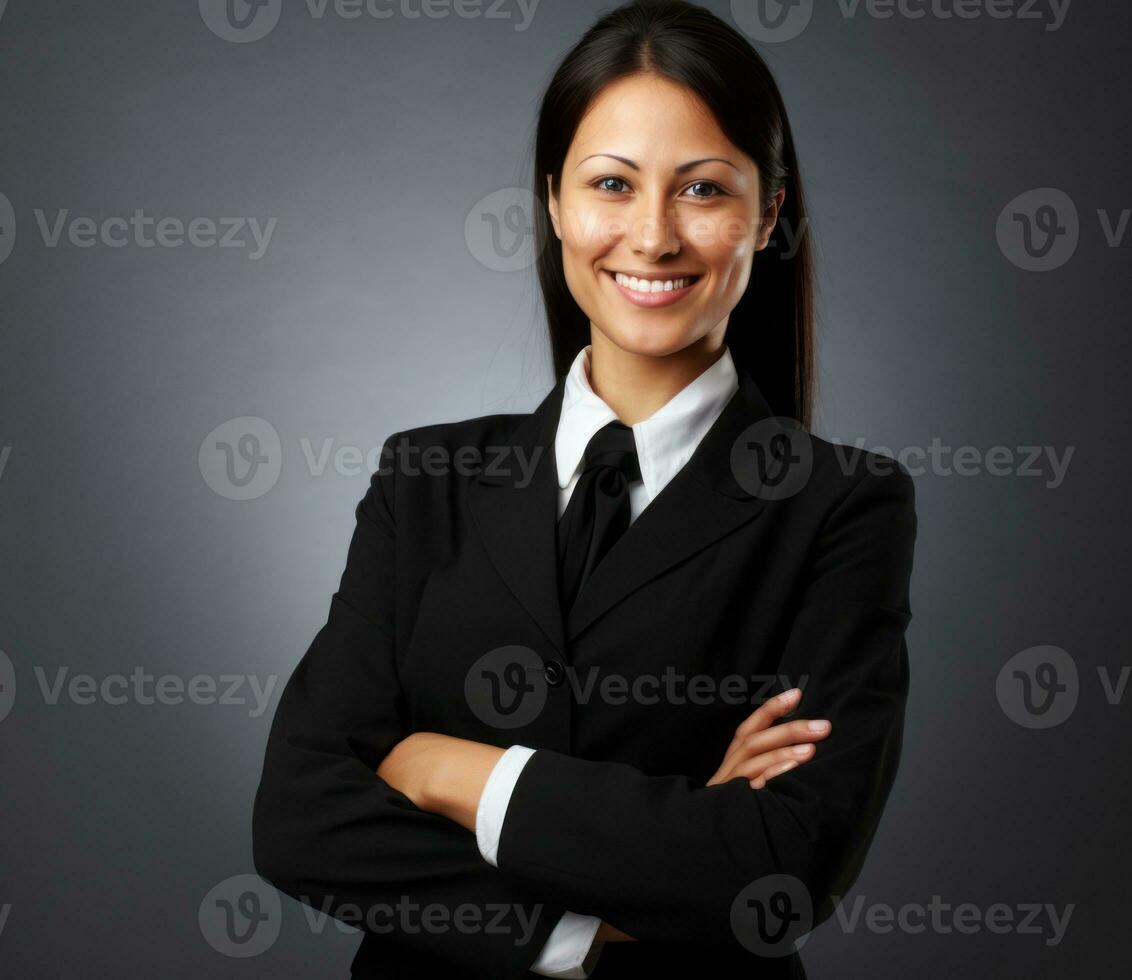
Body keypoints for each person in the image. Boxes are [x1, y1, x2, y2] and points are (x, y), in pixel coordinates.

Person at [253, 2, 917, 976]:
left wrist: (454, 770)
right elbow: (301, 815)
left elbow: (778, 869)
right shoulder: (424, 480)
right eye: (611, 183)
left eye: (701, 190)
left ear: (766, 213)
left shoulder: (840, 507)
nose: (651, 237)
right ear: (555, 202)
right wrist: (592, 923)